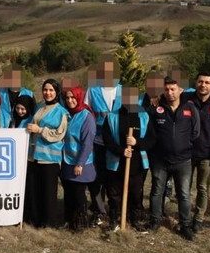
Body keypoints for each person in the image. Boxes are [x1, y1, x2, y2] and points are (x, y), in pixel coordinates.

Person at [147, 77, 200, 241]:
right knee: (157, 191)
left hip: (183, 160)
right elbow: (149, 131)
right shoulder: (156, 108)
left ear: (180, 90)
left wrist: (183, 145)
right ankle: (154, 221)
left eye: (173, 89)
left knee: (183, 194)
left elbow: (195, 132)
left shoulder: (190, 108)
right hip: (160, 159)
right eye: (167, 89)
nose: (170, 93)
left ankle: (185, 225)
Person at [102, 86, 155, 233]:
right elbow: (107, 139)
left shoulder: (143, 116)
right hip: (116, 163)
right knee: (114, 194)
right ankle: (114, 220)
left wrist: (136, 143)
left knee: (136, 194)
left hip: (137, 164)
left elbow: (152, 139)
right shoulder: (112, 116)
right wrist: (121, 150)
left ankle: (135, 220)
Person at [182, 71, 210, 233]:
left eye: (207, 82)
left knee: (202, 188)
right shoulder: (186, 99)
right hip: (186, 152)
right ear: (196, 83)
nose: (203, 85)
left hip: (208, 154)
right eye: (201, 82)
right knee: (184, 187)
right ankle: (184, 217)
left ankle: (198, 219)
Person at [23, 79, 68, 229]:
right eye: (45, 90)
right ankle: (35, 219)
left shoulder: (61, 111)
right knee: (35, 189)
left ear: (57, 92)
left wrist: (40, 130)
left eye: (51, 90)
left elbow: (59, 134)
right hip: (34, 157)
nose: (47, 93)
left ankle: (48, 222)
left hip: (50, 159)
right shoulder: (40, 107)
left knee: (48, 192)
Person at [84, 59, 122, 226]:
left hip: (117, 142)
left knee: (114, 178)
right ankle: (99, 211)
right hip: (97, 141)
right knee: (96, 177)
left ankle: (116, 211)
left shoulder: (124, 90)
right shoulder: (92, 91)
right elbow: (86, 114)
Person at [61, 86, 96, 232]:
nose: (70, 101)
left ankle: (80, 222)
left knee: (78, 194)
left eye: (73, 98)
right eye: (67, 98)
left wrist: (80, 163)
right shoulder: (68, 114)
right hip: (67, 160)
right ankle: (69, 220)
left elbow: (88, 143)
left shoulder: (86, 116)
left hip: (80, 163)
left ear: (79, 98)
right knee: (68, 193)